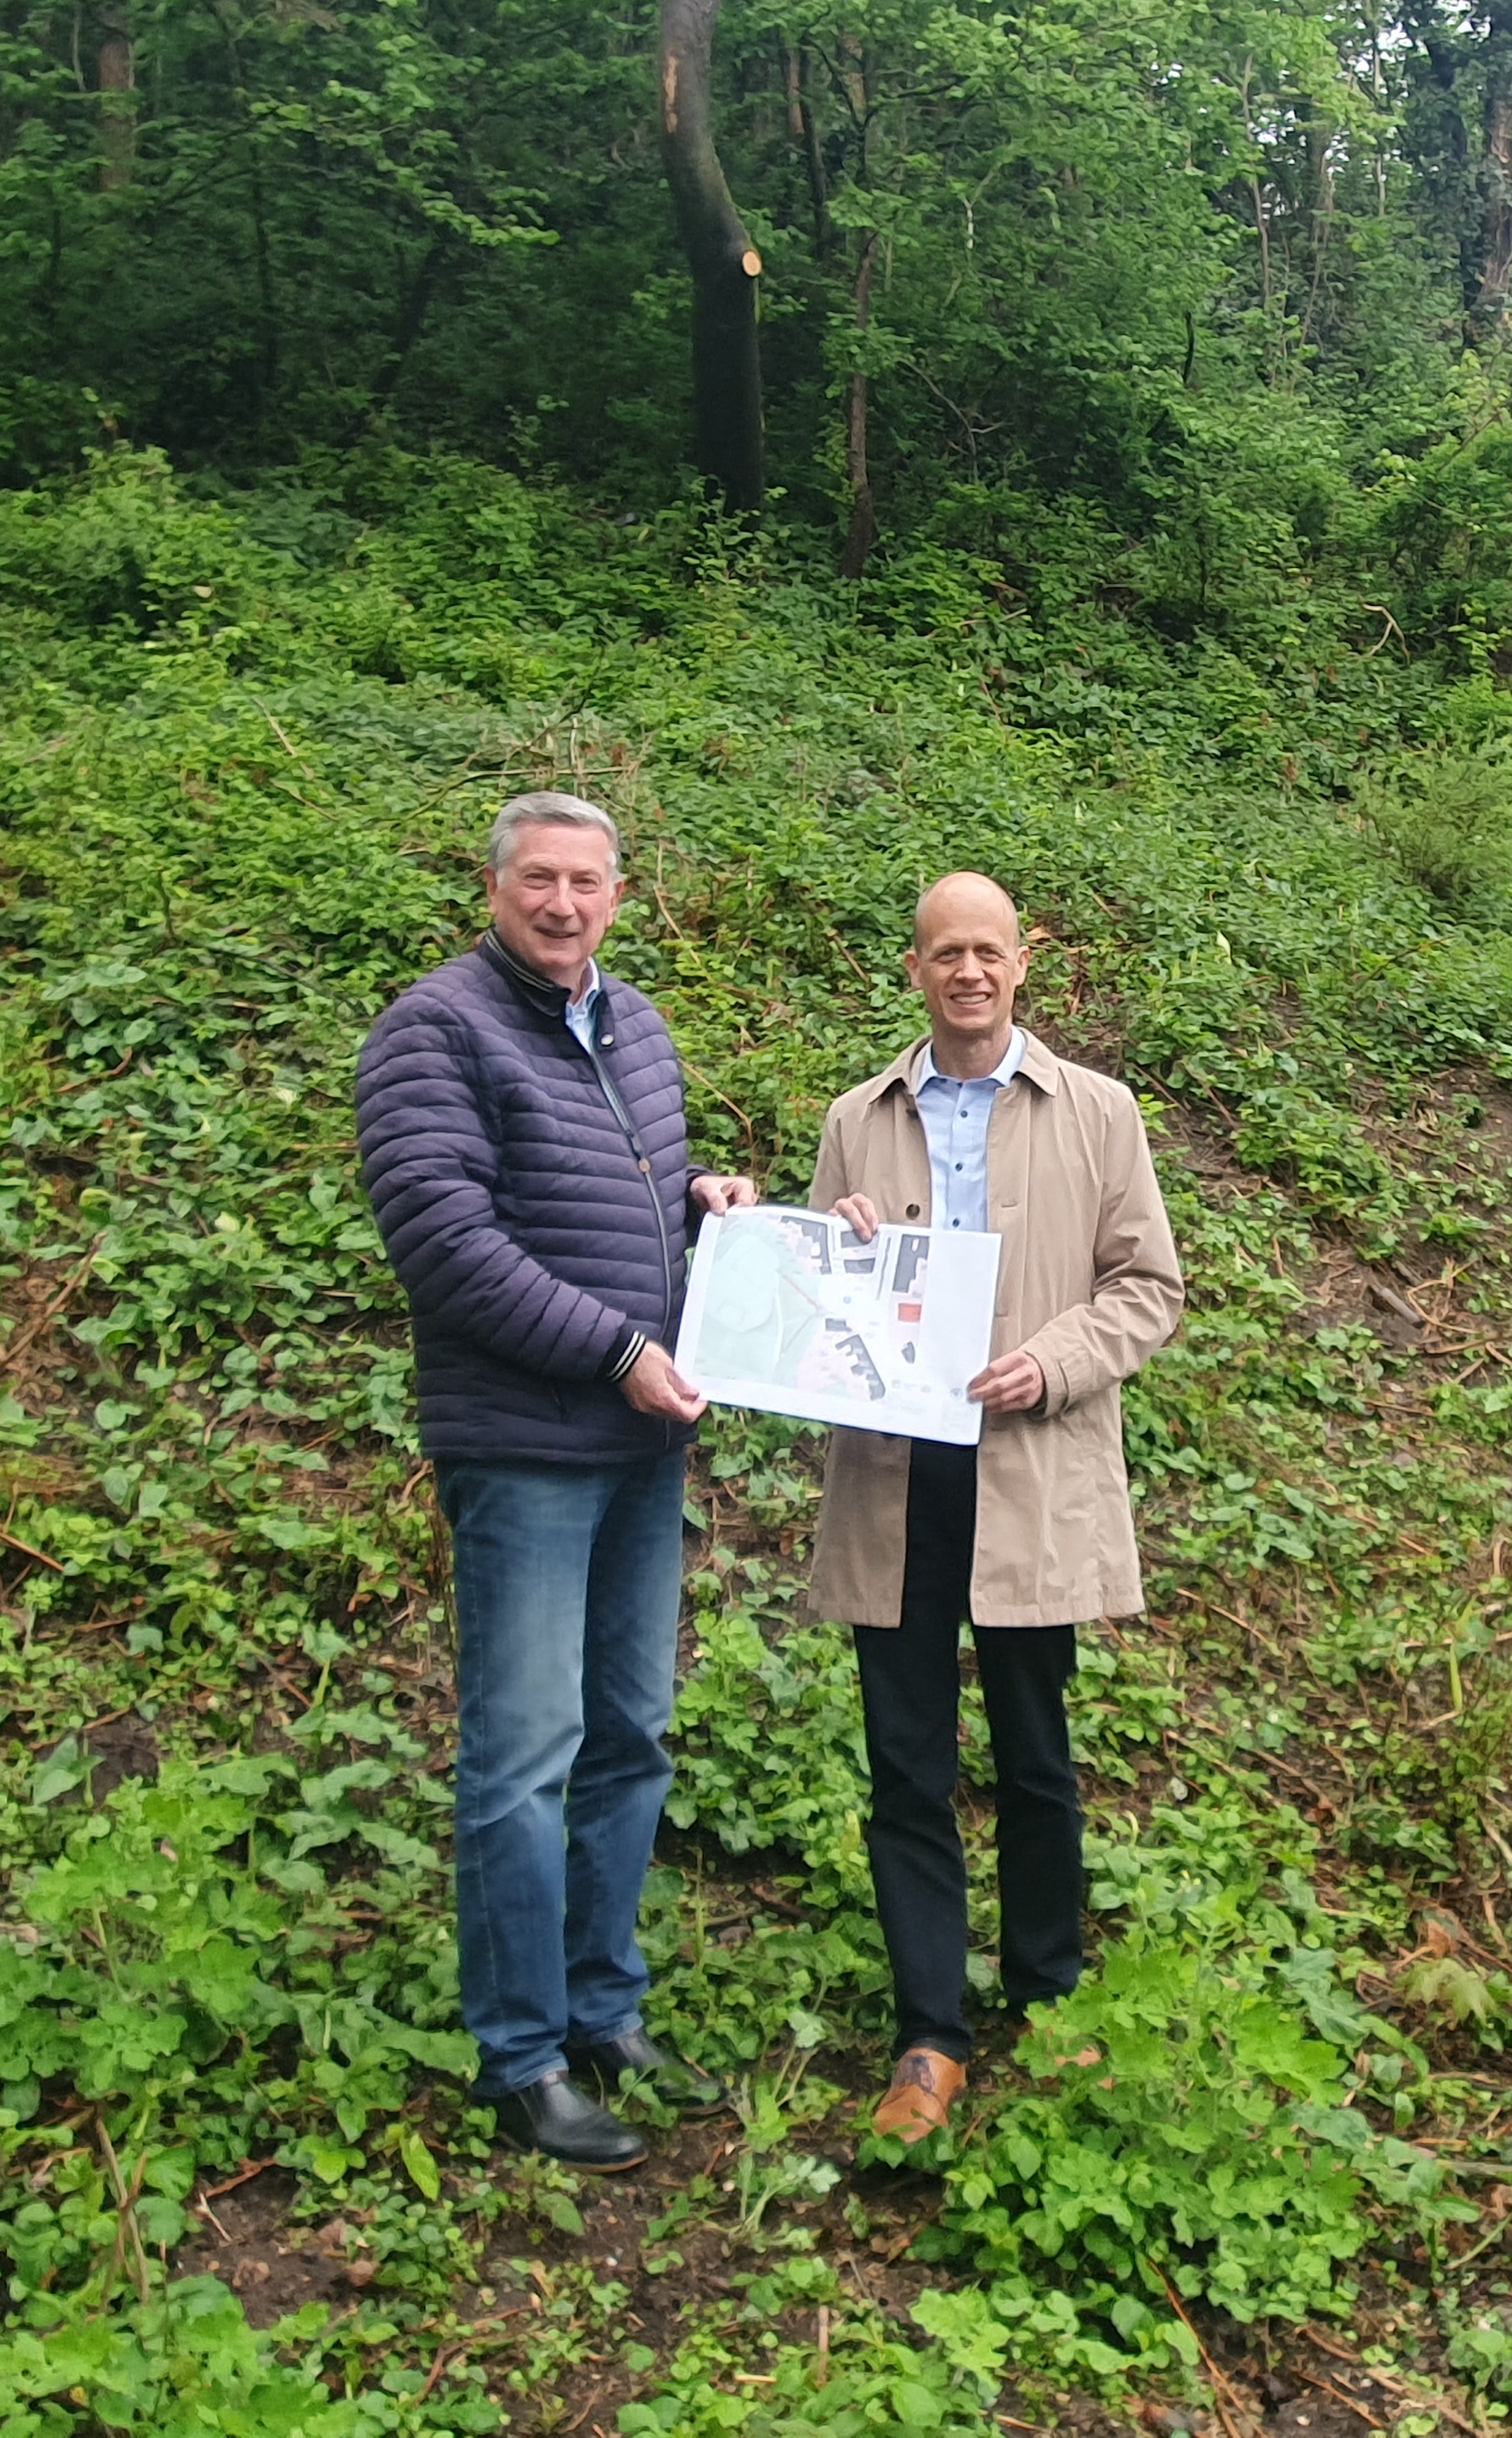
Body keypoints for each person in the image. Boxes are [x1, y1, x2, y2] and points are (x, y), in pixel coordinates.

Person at [356, 793, 755, 2171]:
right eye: (540, 878)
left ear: (622, 894)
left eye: (589, 881)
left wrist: (706, 1213)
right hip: (526, 1451)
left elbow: (616, 1205)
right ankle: (521, 2057)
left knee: (631, 1736)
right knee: (523, 1761)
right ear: (495, 885)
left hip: (642, 1450)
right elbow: (448, 1245)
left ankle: (603, 2006)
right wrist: (617, 1351)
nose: (565, 903)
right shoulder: (435, 1031)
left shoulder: (633, 1025)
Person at [811, 871, 1183, 2140]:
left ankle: (1049, 1998)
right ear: (912, 967)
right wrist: (839, 1244)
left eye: (989, 951)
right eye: (943, 953)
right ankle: (929, 2038)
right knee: (905, 1762)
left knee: (1035, 1754)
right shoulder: (857, 1119)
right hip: (895, 1478)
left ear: (1027, 963)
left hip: (1031, 1470)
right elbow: (820, 1308)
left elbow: (1148, 1287)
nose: (967, 971)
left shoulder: (1097, 1110)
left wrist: (1056, 1361)